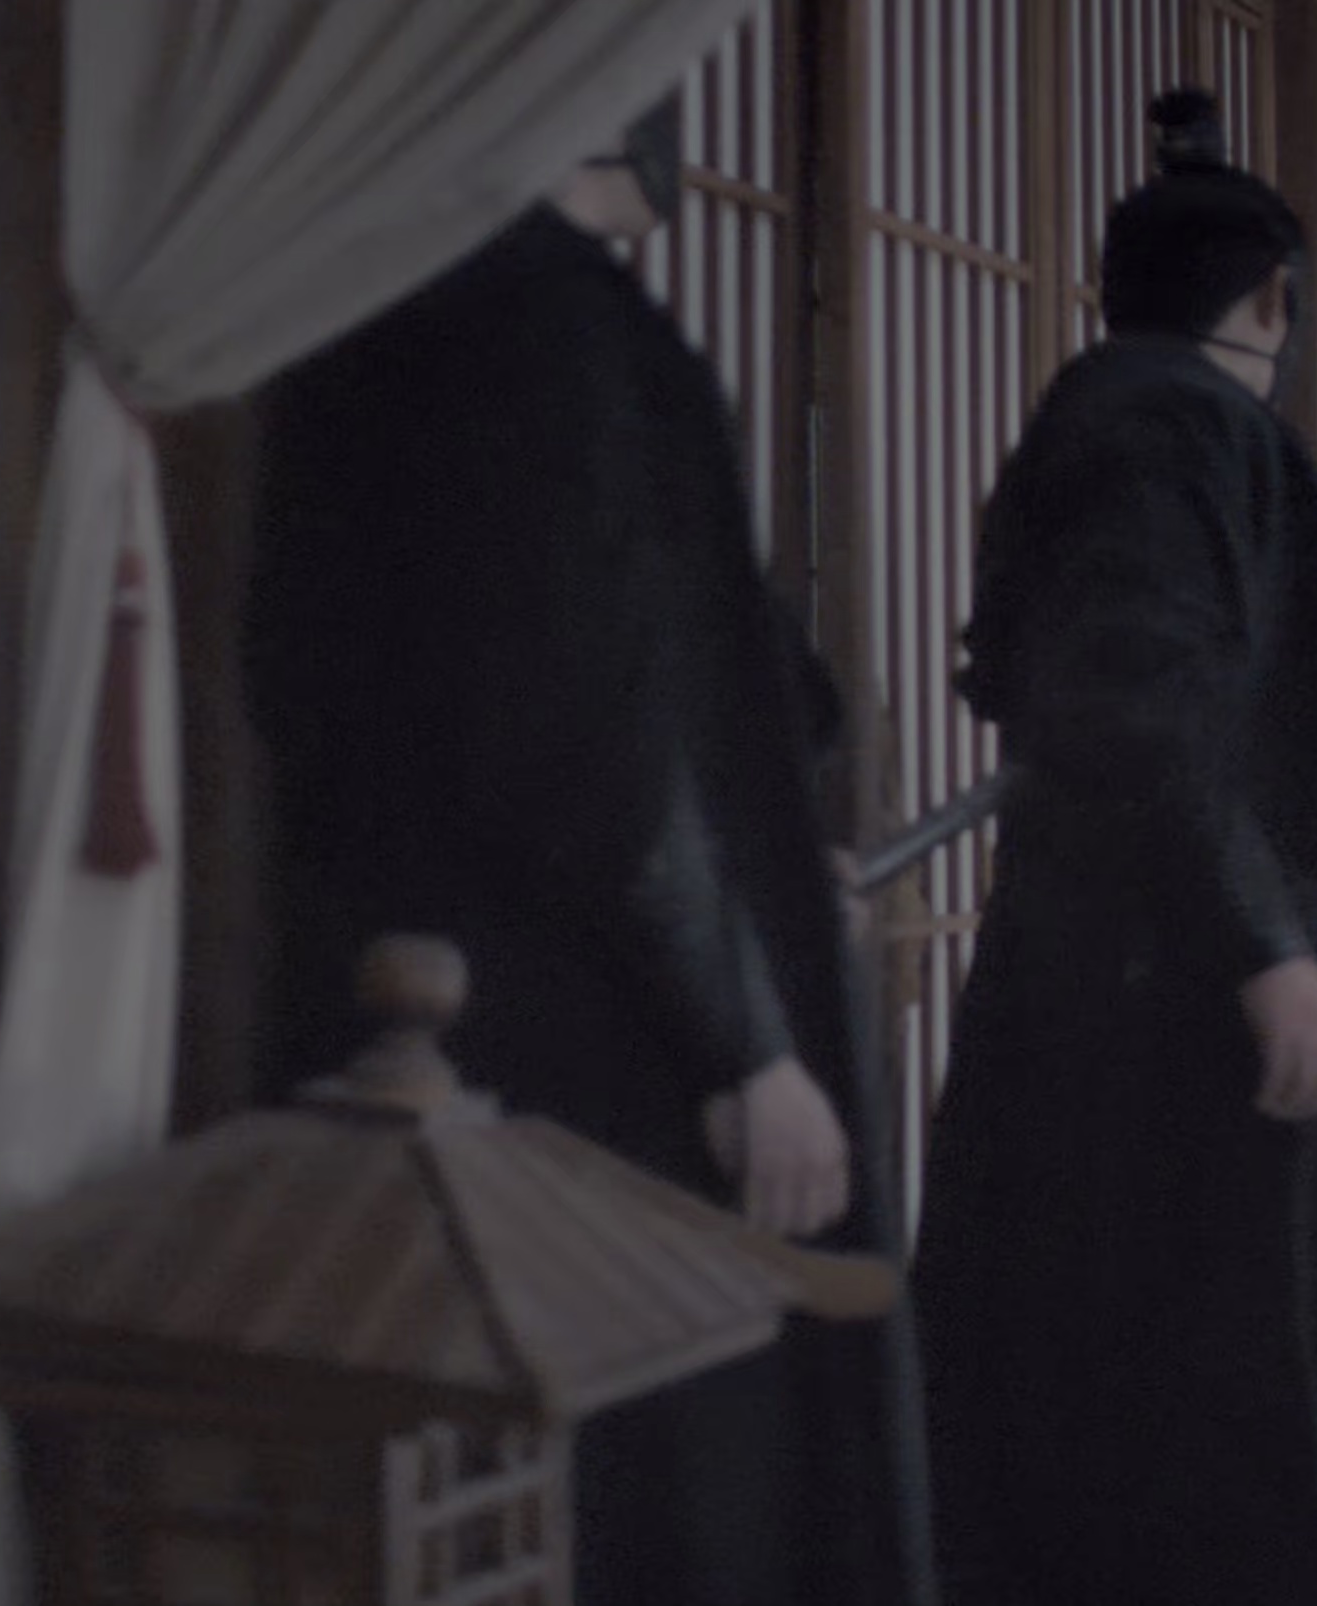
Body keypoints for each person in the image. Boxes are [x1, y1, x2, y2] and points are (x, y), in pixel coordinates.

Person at [242, 99, 928, 1606]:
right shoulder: (538, 323)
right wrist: (746, 1032)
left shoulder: (384, 303)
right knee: (644, 1488)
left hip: (413, 1002)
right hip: (590, 1039)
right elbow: (587, 730)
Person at [911, 87, 1317, 1606]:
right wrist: (1268, 947)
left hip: (1130, 966)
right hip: (1175, 995)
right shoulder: (1169, 425)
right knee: (1211, 1399)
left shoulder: (1110, 418)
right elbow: (1139, 700)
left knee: (1153, 1378)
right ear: (1274, 299)